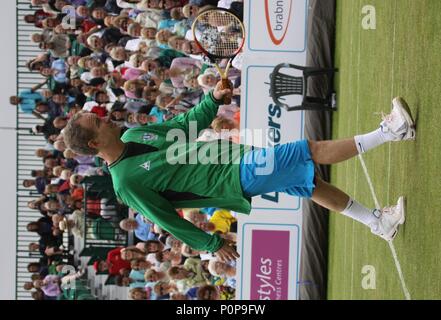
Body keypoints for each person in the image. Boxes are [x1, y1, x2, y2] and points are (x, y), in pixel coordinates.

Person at [62, 79, 416, 262]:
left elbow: (185, 124)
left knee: (310, 184)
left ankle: (377, 222)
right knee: (309, 151)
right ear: (94, 144)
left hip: (233, 156)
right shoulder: (125, 182)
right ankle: (390, 131)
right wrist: (212, 243)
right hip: (234, 177)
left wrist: (212, 99)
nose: (104, 117)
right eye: (98, 122)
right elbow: (167, 220)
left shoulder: (133, 132)